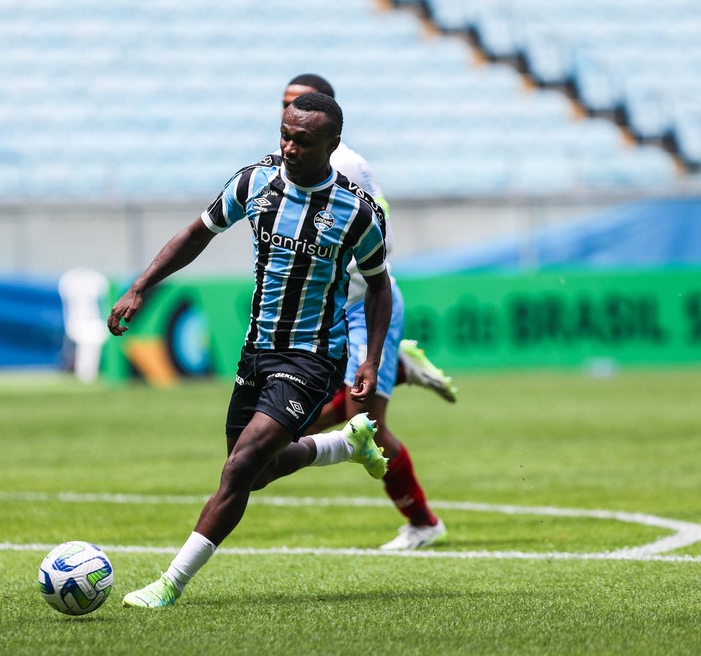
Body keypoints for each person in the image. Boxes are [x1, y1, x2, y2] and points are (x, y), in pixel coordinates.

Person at [109, 92, 392, 608]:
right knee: (255, 472)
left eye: (302, 140)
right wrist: (141, 286)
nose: (288, 146)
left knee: (238, 469)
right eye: (283, 134)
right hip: (257, 349)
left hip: (312, 357)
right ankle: (343, 444)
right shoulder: (254, 182)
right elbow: (197, 234)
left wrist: (368, 358)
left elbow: (378, 286)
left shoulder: (358, 212)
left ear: (331, 144)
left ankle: (169, 583)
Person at [282, 74, 451, 551]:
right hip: (325, 309)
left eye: (302, 105)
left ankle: (423, 523)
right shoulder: (288, 166)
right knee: (315, 420)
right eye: (286, 106)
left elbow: (384, 239)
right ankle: (396, 369)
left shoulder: (349, 166)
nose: (291, 114)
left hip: (364, 305)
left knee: (365, 427)